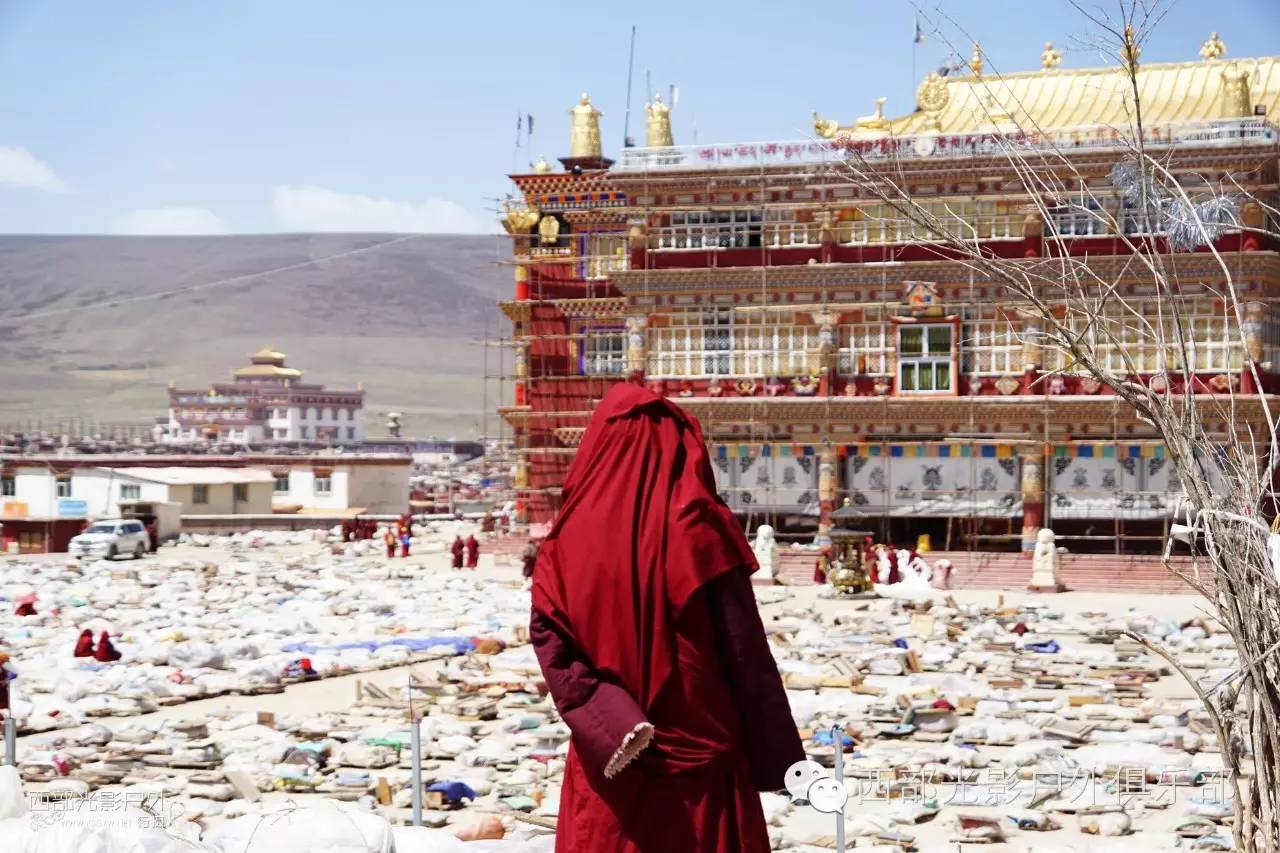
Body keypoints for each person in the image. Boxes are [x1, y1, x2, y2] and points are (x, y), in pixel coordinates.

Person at [530, 382, 802, 852]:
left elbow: (553, 648)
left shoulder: (565, 541)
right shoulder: (700, 528)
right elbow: (744, 652)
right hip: (700, 741)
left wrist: (609, 720)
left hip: (615, 749)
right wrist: (777, 758)